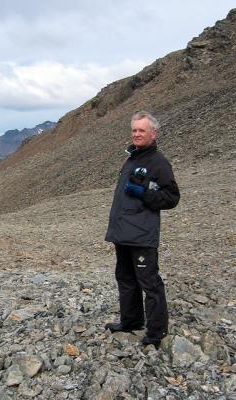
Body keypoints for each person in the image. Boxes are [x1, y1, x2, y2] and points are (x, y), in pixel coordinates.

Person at [105, 110, 180, 348]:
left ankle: (157, 332)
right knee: (125, 278)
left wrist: (145, 194)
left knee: (149, 282)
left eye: (142, 130)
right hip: (123, 232)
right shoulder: (132, 158)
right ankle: (131, 321)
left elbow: (171, 197)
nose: (137, 134)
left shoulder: (158, 162)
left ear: (153, 133)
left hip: (142, 235)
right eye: (134, 130)